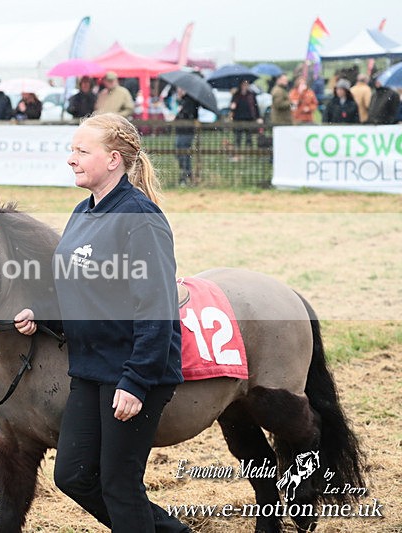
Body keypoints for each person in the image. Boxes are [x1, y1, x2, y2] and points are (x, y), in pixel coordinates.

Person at [14, 113, 187, 533]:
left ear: (113, 160)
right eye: (71, 150)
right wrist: (43, 316)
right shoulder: (83, 212)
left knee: (119, 486)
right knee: (73, 474)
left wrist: (136, 381)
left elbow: (157, 307)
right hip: (90, 369)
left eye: (81, 151)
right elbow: (82, 290)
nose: (70, 159)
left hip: (132, 370)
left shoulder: (140, 218)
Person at [229, 79, 261, 160]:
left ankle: (248, 154)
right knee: (238, 138)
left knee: (249, 138)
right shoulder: (236, 94)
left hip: (249, 119)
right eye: (243, 84)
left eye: (246, 84)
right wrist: (232, 107)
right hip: (238, 119)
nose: (245, 86)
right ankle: (237, 154)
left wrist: (258, 117)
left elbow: (255, 107)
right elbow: (232, 105)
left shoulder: (251, 95)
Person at [173, 87, 199, 186]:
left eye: (180, 89)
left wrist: (180, 112)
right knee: (180, 153)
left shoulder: (190, 101)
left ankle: (186, 175)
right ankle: (186, 175)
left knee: (184, 153)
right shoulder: (184, 101)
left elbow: (189, 115)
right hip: (182, 131)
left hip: (186, 131)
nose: (178, 91)